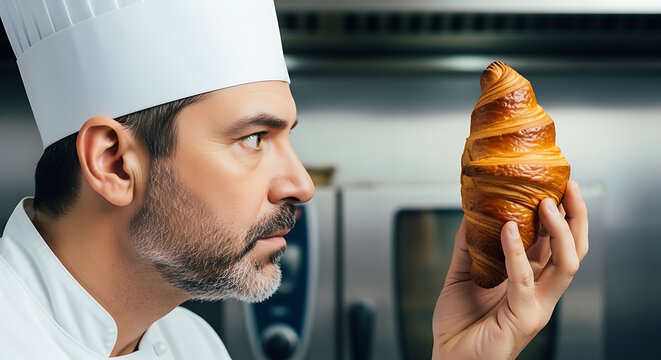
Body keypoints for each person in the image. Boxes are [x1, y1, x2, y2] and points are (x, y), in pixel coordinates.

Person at [0, 0, 588, 359]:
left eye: (288, 137)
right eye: (254, 138)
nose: (302, 183)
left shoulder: (193, 347)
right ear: (113, 163)